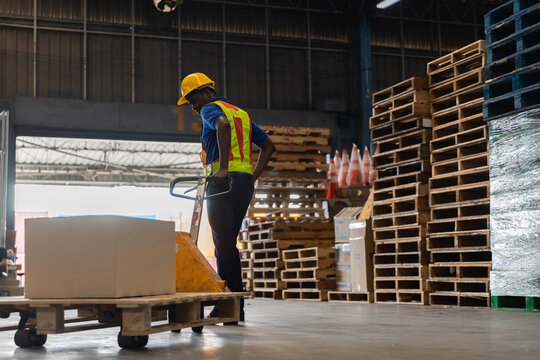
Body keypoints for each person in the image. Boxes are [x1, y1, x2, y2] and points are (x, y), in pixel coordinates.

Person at [177, 72, 275, 324]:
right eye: (190, 103)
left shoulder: (212, 108)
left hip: (222, 184)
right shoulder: (242, 113)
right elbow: (268, 146)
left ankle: (229, 306)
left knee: (223, 245)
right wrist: (252, 177)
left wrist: (221, 168)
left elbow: (222, 125)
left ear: (208, 92)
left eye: (193, 99)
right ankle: (234, 308)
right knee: (228, 245)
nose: (194, 107)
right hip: (242, 184)